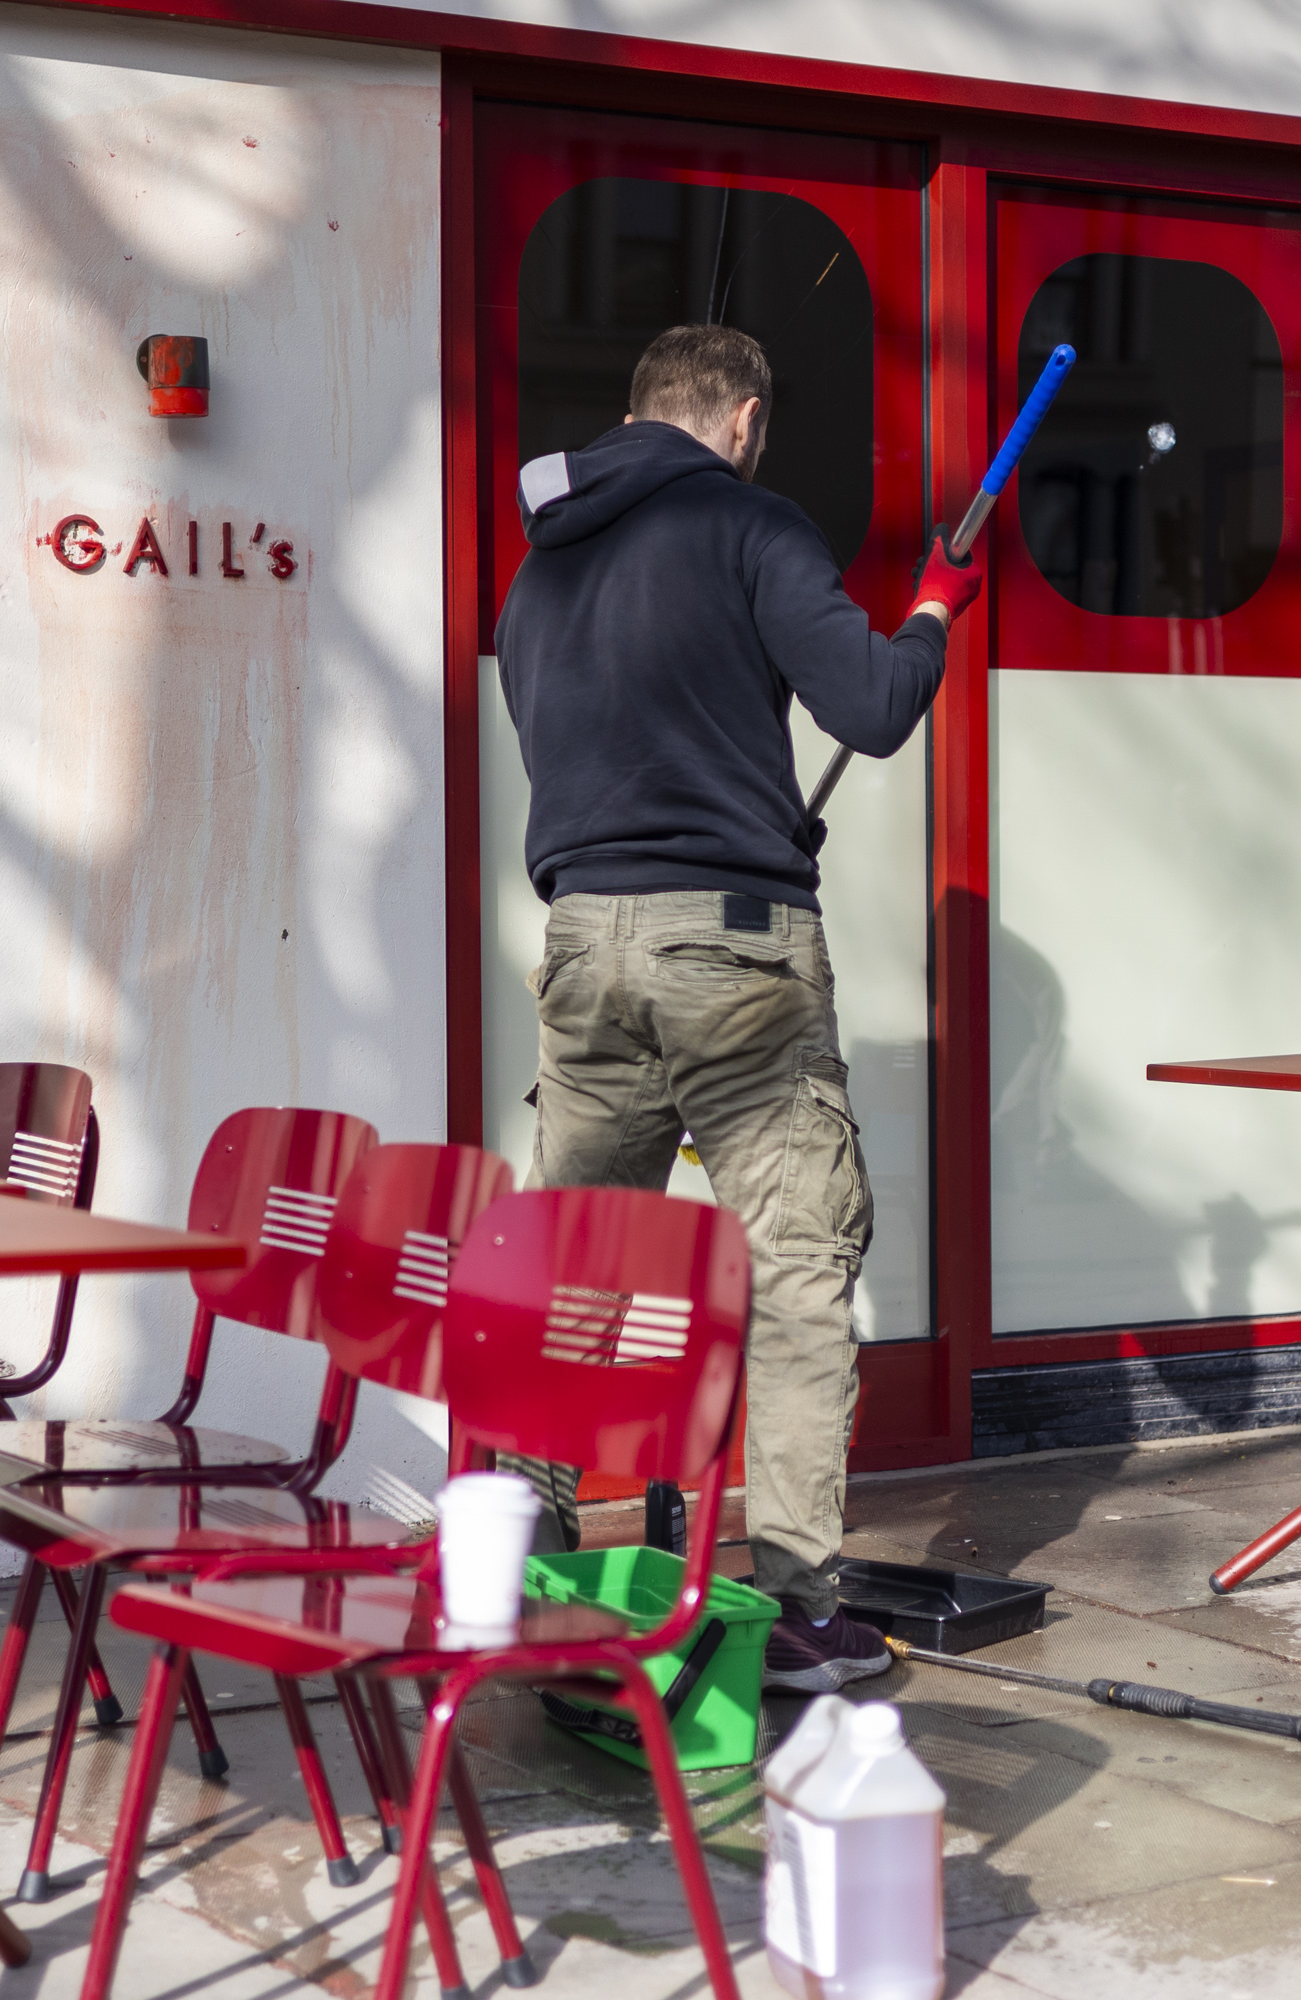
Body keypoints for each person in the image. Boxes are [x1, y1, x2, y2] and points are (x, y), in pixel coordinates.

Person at [493, 322, 984, 1693]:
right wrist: (936, 604)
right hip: (736, 958)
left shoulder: (543, 568)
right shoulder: (750, 526)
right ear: (746, 417)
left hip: (584, 947)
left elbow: (601, 749)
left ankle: (526, 1556)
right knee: (795, 1259)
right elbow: (877, 705)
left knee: (575, 1265)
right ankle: (799, 1605)